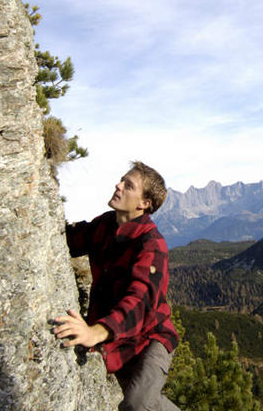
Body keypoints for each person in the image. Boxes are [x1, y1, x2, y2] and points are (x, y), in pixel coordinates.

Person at [53, 161, 181, 411]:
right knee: (149, 404)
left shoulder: (151, 245)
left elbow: (139, 302)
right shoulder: (105, 225)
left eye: (128, 185)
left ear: (143, 203)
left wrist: (95, 333)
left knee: (136, 404)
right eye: (122, 180)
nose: (118, 185)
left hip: (150, 339)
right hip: (120, 339)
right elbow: (68, 239)